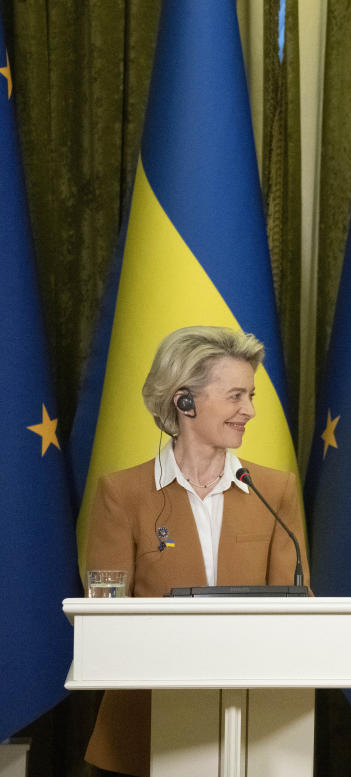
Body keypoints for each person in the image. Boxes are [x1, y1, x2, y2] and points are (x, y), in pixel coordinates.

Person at [83, 326, 307, 777]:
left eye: (251, 396)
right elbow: (103, 622)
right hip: (142, 733)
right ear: (185, 402)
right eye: (236, 396)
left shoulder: (275, 490)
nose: (250, 411)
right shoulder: (121, 493)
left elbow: (297, 613)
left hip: (251, 733)